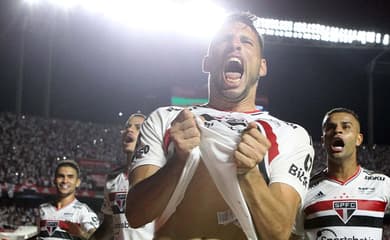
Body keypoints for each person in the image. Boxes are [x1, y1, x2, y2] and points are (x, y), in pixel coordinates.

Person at [126, 12, 314, 240]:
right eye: (224, 40)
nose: (234, 45)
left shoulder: (290, 135)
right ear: (206, 62)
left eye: (246, 42)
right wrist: (177, 162)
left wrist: (249, 174)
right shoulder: (165, 119)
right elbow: (135, 215)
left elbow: (278, 233)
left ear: (262, 66)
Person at [290, 108, 390, 239]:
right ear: (323, 140)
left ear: (358, 139)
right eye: (330, 127)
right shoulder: (304, 190)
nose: (337, 130)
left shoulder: (382, 184)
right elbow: (293, 237)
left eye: (346, 127)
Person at [90, 113, 154, 240]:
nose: (129, 129)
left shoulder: (159, 175)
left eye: (137, 127)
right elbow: (108, 227)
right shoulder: (113, 180)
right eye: (127, 126)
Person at [38, 159, 100, 240]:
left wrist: (81, 234)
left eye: (70, 177)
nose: (65, 181)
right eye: (61, 176)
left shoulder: (84, 211)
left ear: (77, 182)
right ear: (54, 180)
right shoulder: (43, 208)